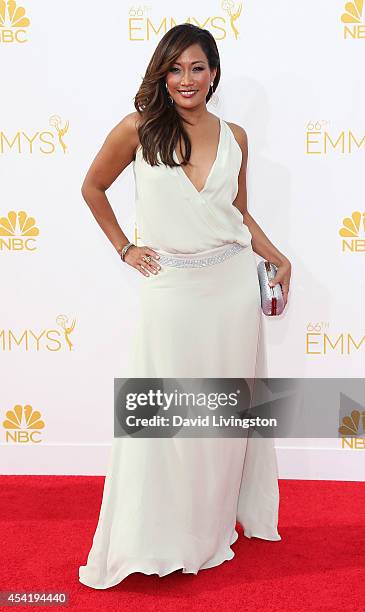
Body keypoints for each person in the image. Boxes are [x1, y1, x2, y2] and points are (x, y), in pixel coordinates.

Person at [78, 23, 291, 589]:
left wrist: (280, 259)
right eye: (175, 68)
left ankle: (208, 527)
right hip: (170, 290)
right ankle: (152, 535)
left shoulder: (236, 136)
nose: (186, 79)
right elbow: (91, 188)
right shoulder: (138, 130)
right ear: (162, 72)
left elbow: (239, 215)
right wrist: (125, 248)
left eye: (197, 68)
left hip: (230, 291)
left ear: (213, 73)